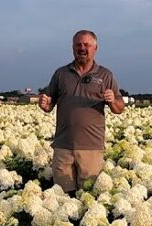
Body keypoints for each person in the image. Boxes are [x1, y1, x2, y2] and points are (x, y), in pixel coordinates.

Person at [38, 29, 125, 193]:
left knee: (88, 197)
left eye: (87, 44)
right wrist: (44, 104)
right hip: (63, 147)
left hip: (91, 148)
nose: (82, 48)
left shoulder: (105, 75)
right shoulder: (61, 74)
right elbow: (49, 104)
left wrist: (113, 100)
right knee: (61, 198)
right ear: (72, 48)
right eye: (78, 44)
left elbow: (119, 108)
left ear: (95, 48)